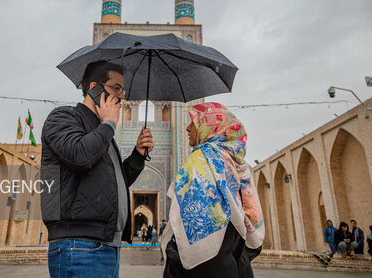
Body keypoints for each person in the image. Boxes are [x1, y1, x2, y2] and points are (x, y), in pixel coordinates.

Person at [41, 60, 155, 278]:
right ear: (95, 88)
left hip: (105, 245)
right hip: (78, 245)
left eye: (123, 90)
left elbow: (111, 184)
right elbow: (80, 156)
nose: (122, 96)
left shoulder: (101, 132)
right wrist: (109, 124)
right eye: (116, 88)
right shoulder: (63, 118)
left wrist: (138, 156)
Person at [162, 102, 264, 277]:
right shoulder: (236, 163)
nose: (187, 128)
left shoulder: (202, 161)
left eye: (193, 123)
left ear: (209, 128)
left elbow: (192, 232)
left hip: (206, 268)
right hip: (235, 265)